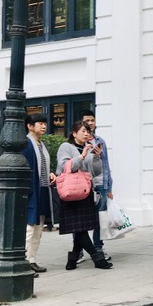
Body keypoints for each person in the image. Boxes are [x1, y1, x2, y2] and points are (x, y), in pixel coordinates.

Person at [56, 121, 113, 270]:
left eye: (88, 131)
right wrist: (82, 156)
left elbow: (96, 171)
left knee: (81, 228)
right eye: (83, 131)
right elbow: (64, 167)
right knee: (80, 228)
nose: (86, 134)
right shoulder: (66, 147)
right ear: (74, 133)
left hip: (85, 191)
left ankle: (72, 260)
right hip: (71, 192)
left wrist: (96, 158)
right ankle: (98, 259)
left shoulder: (89, 147)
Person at [21, 113, 56, 274]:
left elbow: (43, 166)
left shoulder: (40, 144)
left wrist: (50, 174)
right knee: (30, 227)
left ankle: (32, 260)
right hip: (32, 190)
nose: (43, 126)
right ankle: (25, 262)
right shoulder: (26, 143)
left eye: (44, 123)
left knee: (39, 228)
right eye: (39, 123)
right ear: (29, 126)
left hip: (43, 189)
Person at [80, 109, 114, 261]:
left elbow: (105, 164)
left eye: (92, 120)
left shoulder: (100, 141)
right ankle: (79, 249)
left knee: (100, 218)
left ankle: (98, 247)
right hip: (83, 185)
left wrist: (109, 187)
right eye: (87, 121)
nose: (91, 123)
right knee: (80, 219)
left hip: (100, 185)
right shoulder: (77, 142)